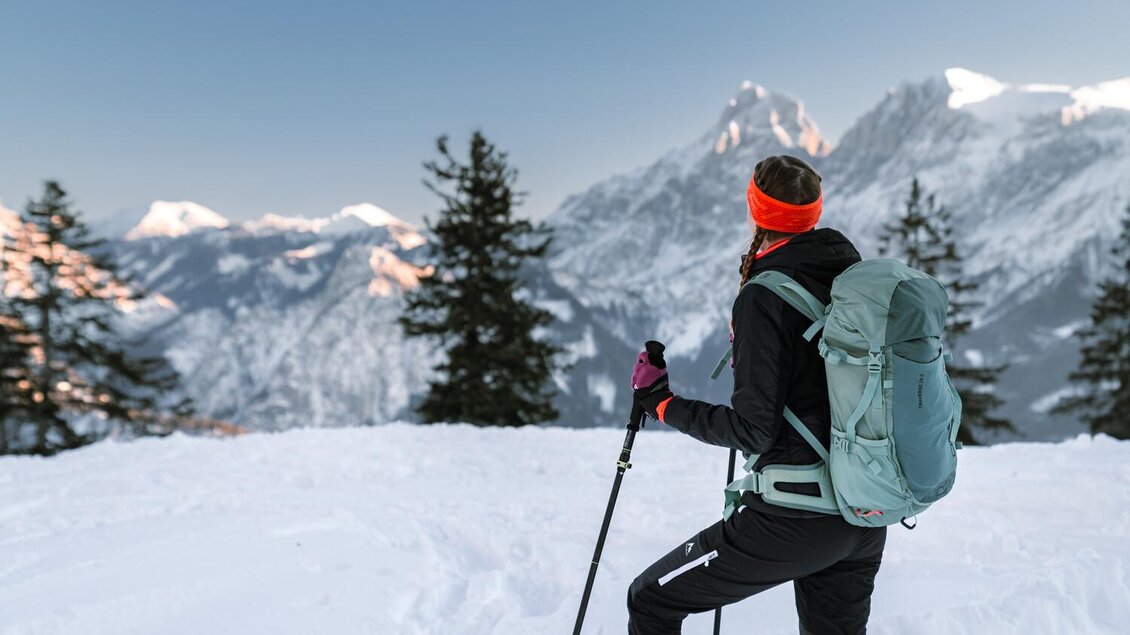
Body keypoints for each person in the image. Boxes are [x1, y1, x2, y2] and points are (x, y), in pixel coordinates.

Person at [626, 155, 886, 635]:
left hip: (797, 515)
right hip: (865, 514)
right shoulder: (850, 277)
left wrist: (663, 404)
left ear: (756, 207)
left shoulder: (765, 295)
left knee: (651, 600)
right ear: (814, 210)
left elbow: (753, 429)